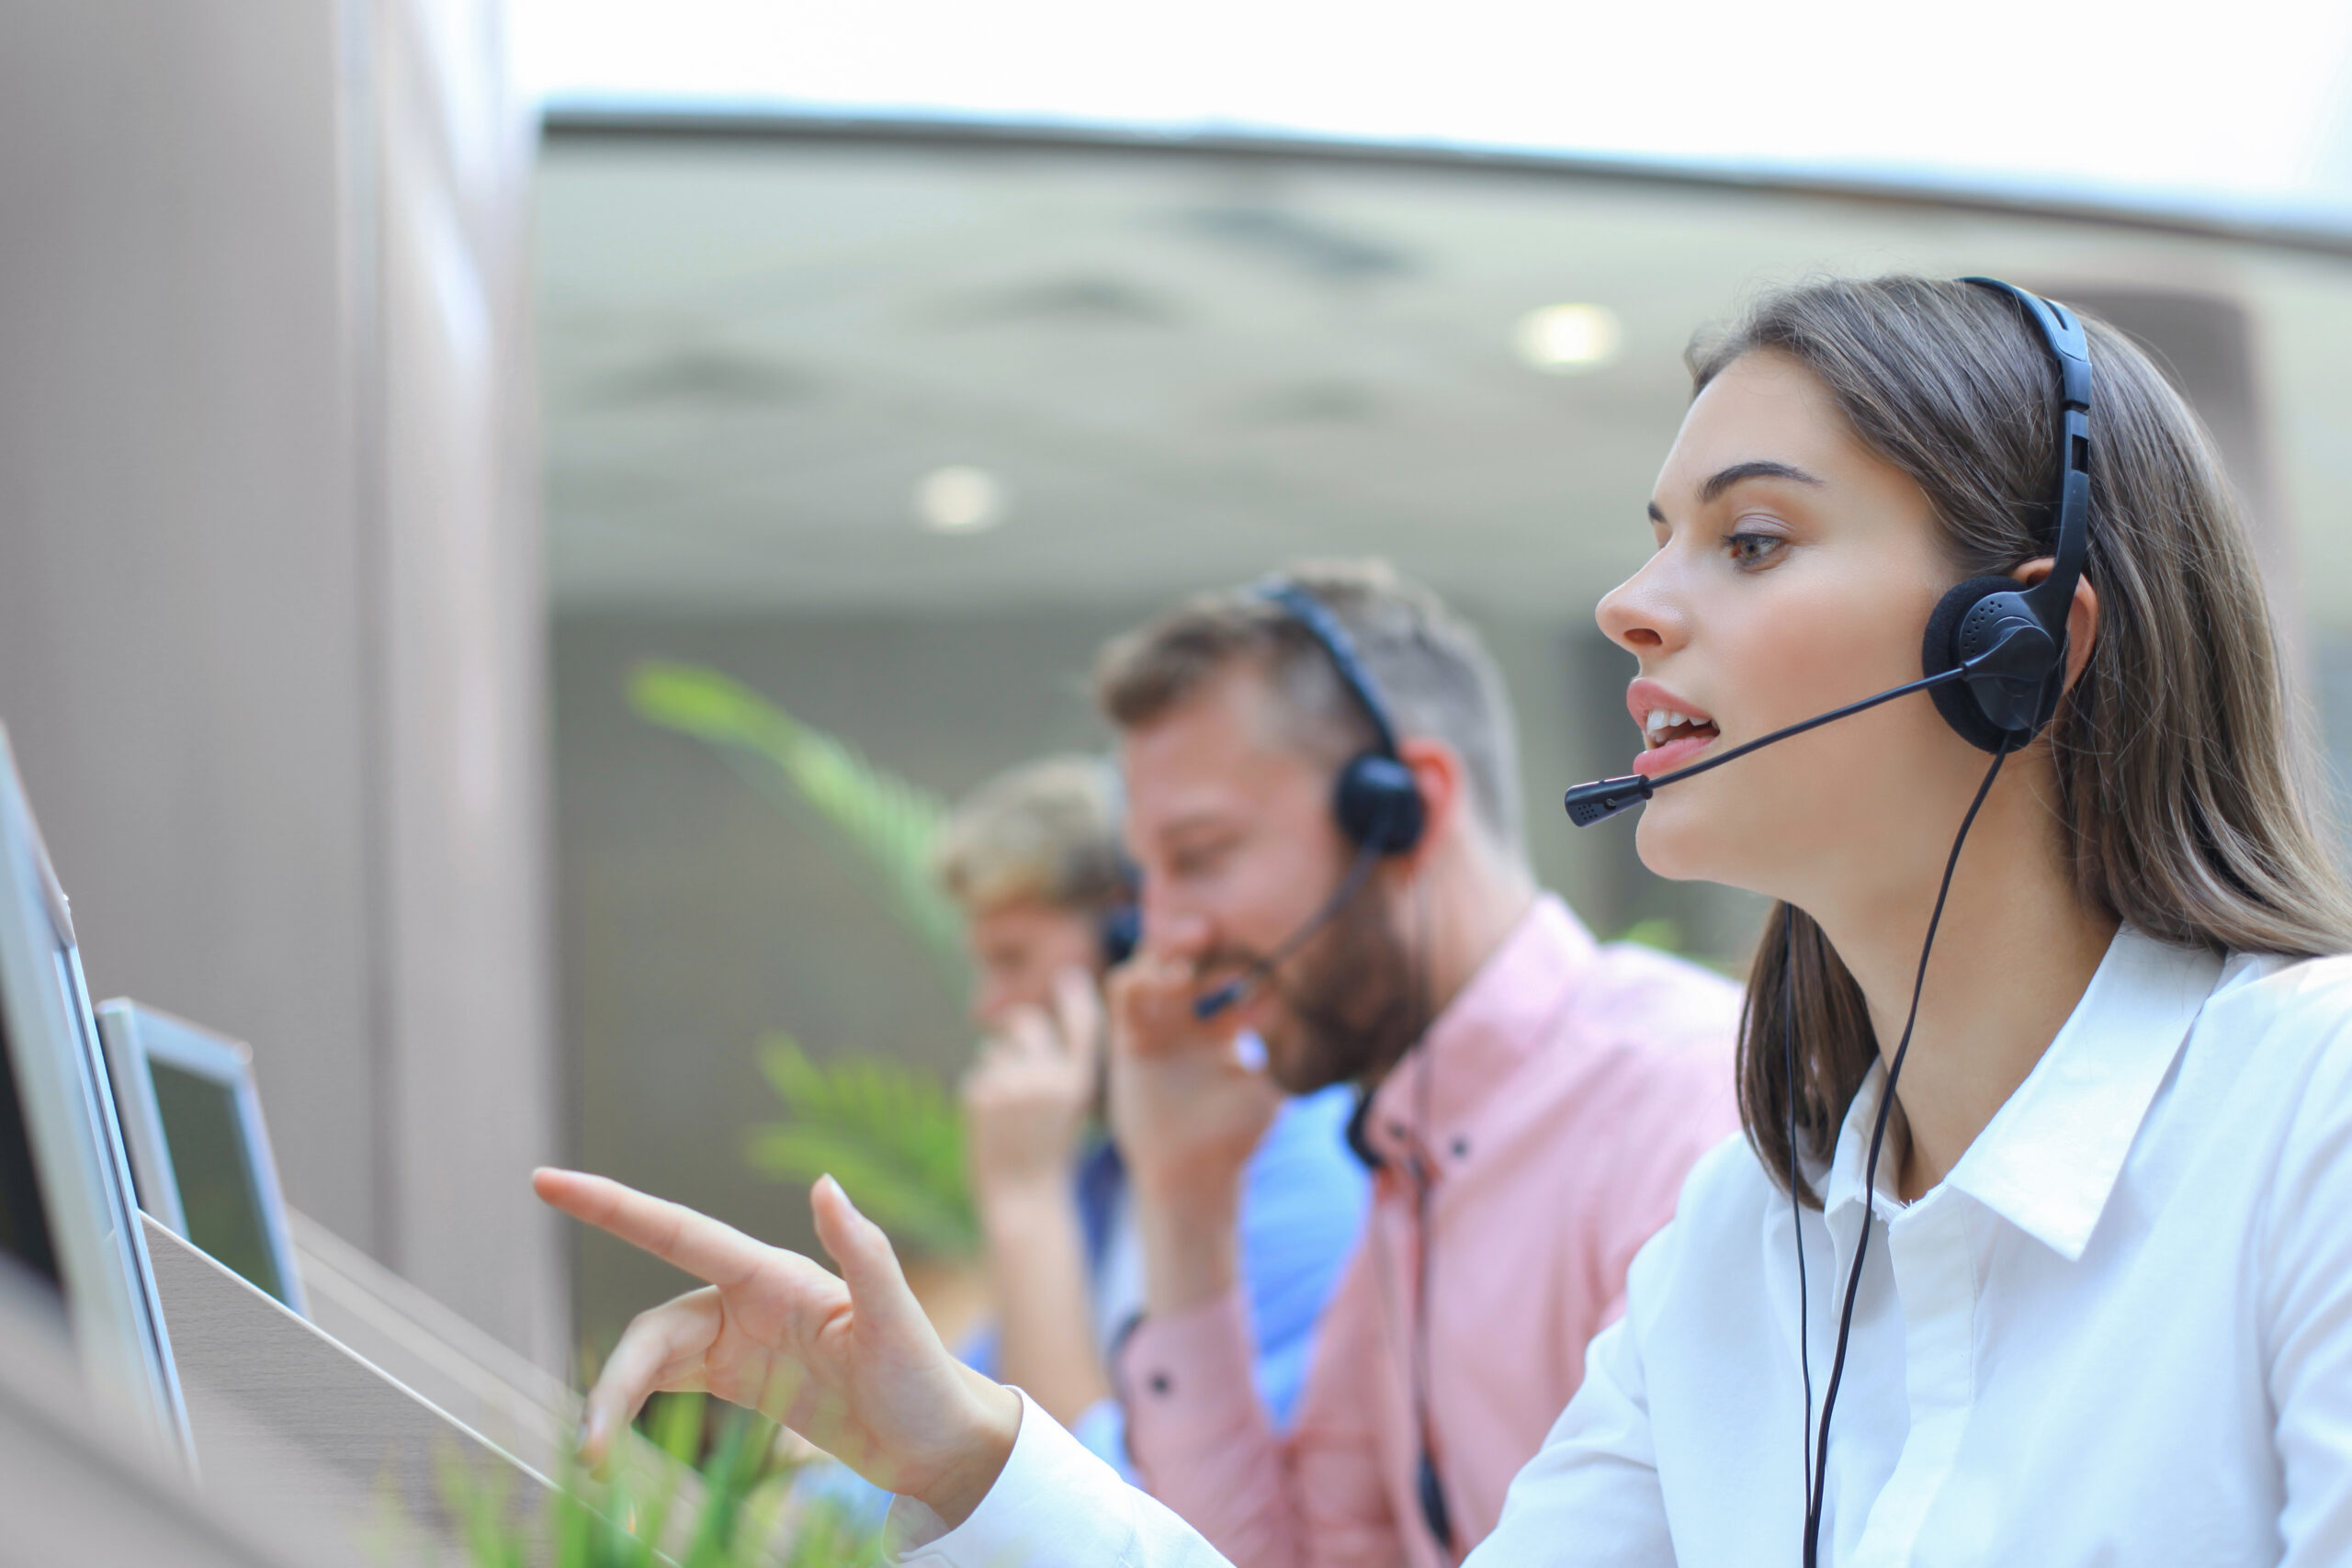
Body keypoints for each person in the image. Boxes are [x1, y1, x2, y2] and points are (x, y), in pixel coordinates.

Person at [530, 272, 2352, 1567]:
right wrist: (959, 1450)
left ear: (2022, 647)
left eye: (1751, 538)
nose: (1630, 603)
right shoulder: (1748, 1237)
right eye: (1655, 533)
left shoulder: (2307, 1121)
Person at [1091, 561, 1739, 1563]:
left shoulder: (1684, 1107)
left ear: (1402, 809)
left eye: (1204, 855)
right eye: (1151, 878)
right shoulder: (1416, 1155)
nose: (1164, 939)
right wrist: (1183, 1199)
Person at [934, 755, 1368, 1475]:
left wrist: (1024, 1201)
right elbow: (951, 1433)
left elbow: (1090, 1515)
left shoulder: (1309, 1171)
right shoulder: (1105, 1179)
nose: (988, 1006)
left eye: (1013, 958)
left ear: (1131, 940)